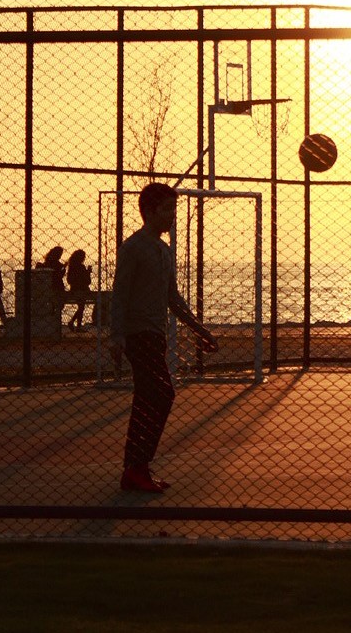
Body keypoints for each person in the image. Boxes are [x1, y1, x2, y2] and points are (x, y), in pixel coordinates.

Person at [110, 182, 217, 493]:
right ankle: (135, 466)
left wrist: (200, 329)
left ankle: (136, 468)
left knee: (149, 397)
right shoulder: (133, 248)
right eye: (168, 209)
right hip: (137, 334)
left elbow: (173, 298)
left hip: (155, 335)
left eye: (174, 209)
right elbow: (120, 294)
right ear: (151, 211)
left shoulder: (164, 250)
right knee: (161, 394)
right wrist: (116, 335)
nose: (173, 215)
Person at [65, 249, 93, 328]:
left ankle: (74, 323)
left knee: (81, 307)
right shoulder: (81, 267)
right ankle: (77, 325)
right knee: (81, 307)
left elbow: (69, 280)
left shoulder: (71, 266)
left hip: (74, 289)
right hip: (82, 290)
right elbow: (87, 281)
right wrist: (88, 272)